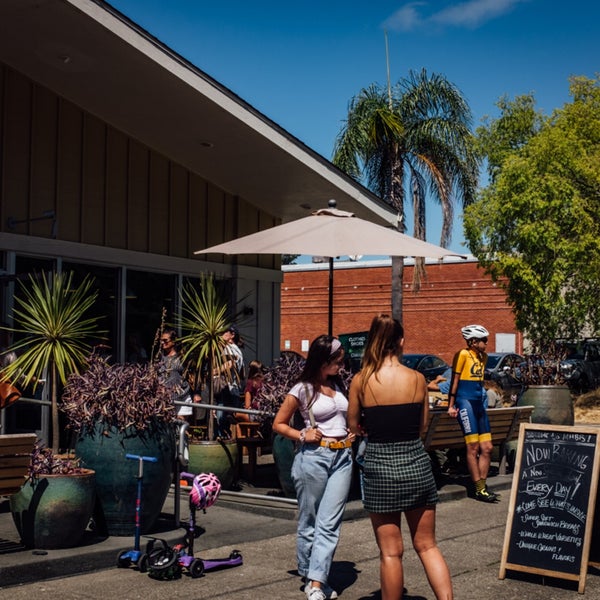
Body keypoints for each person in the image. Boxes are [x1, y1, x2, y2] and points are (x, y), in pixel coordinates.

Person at [348, 314, 453, 600]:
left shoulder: (361, 380)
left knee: (391, 553)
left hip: (380, 464)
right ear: (401, 341)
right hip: (416, 462)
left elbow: (353, 426)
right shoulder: (418, 379)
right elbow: (421, 427)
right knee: (428, 545)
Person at [273, 335, 354, 600]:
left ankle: (316, 582)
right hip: (313, 457)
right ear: (323, 360)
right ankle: (311, 575)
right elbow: (279, 424)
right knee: (309, 520)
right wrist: (301, 435)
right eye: (337, 361)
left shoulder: (339, 385)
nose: (341, 365)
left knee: (329, 523)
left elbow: (344, 418)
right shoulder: (303, 389)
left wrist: (352, 432)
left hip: (343, 458)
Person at [447, 324, 498, 503]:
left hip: (478, 404)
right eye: (484, 340)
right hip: (464, 401)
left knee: (488, 448)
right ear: (473, 341)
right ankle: (478, 489)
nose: (486, 343)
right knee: (473, 447)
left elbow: (480, 383)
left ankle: (482, 487)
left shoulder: (483, 357)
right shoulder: (462, 354)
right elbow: (454, 380)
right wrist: (451, 405)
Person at [214, 324, 245, 437]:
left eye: (224, 332)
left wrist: (213, 372)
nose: (221, 334)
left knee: (222, 421)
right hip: (231, 390)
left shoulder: (231, 349)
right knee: (223, 422)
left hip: (227, 390)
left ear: (232, 335)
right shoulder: (234, 349)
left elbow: (230, 364)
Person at [157, 328, 193, 421]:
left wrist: (196, 393)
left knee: (180, 423)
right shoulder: (160, 358)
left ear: (173, 341)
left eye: (165, 340)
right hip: (166, 397)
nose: (162, 343)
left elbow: (191, 375)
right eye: (161, 340)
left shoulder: (182, 357)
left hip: (182, 394)